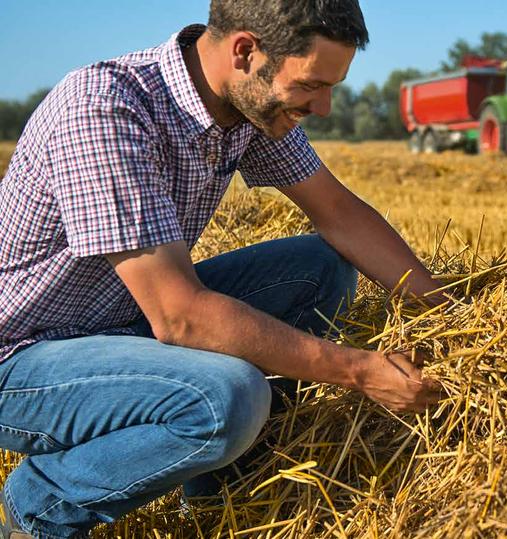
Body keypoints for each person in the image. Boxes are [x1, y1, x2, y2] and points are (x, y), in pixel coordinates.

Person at [0, 1, 444, 537]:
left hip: (119, 319)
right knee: (227, 397)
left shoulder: (248, 108)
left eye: (331, 86)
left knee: (322, 267)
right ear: (245, 51)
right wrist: (358, 370)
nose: (323, 106)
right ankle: (42, 502)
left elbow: (340, 214)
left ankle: (217, 504)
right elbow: (179, 316)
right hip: (23, 355)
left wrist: (451, 313)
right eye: (310, 84)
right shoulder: (106, 109)